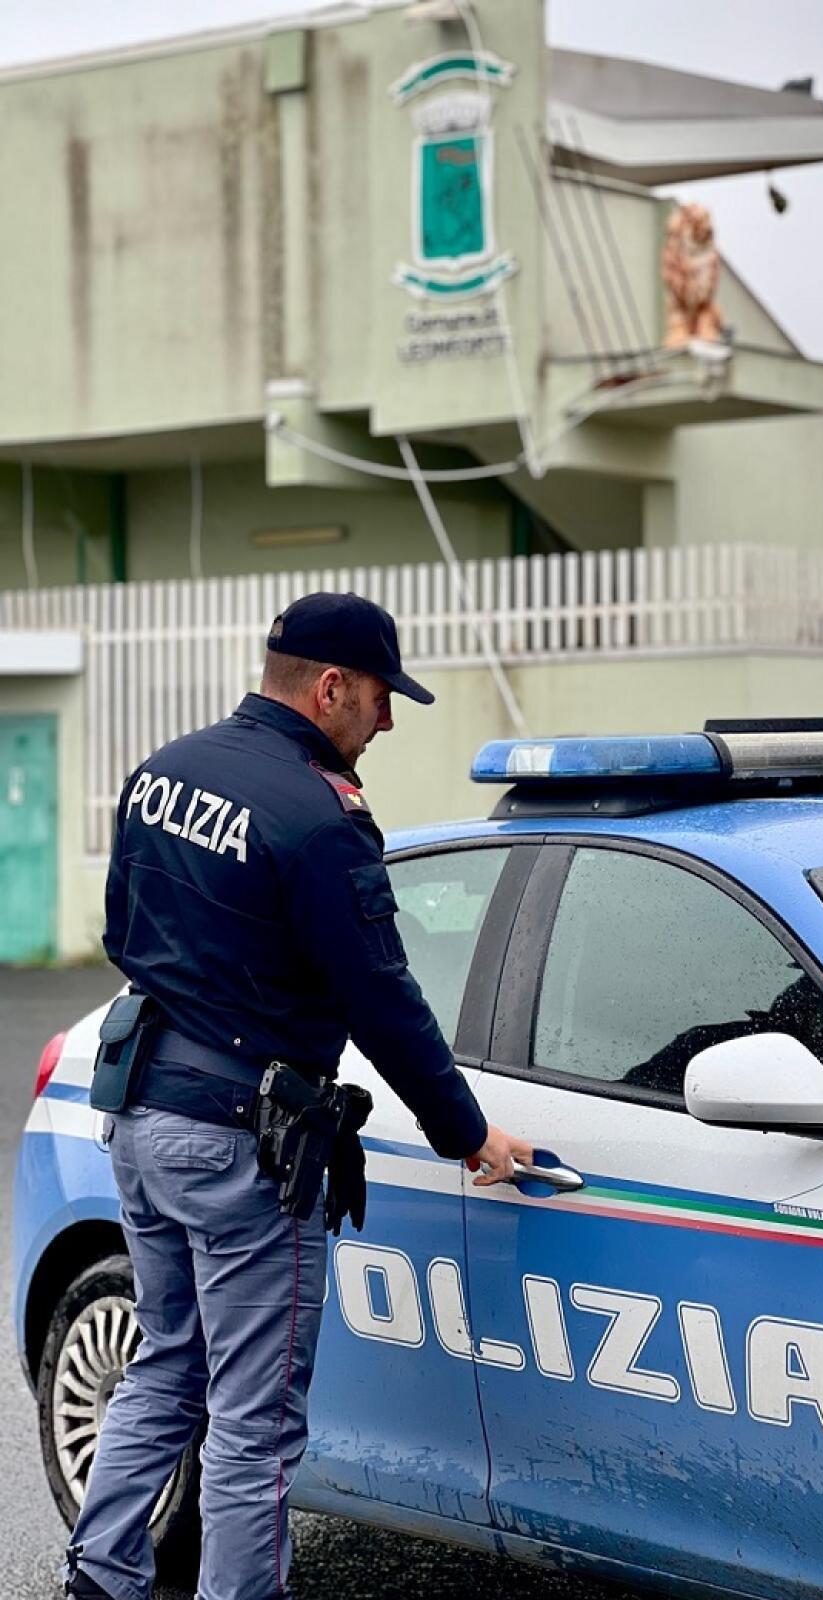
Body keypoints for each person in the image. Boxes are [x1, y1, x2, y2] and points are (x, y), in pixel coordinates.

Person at [64, 591, 533, 1600]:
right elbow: (383, 997)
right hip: (241, 1145)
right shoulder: (322, 815)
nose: (388, 719)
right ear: (329, 687)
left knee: (166, 1364)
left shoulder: (162, 773)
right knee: (254, 1421)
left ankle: (100, 1578)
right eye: (378, 696)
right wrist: (467, 1131)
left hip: (141, 1116)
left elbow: (124, 937)